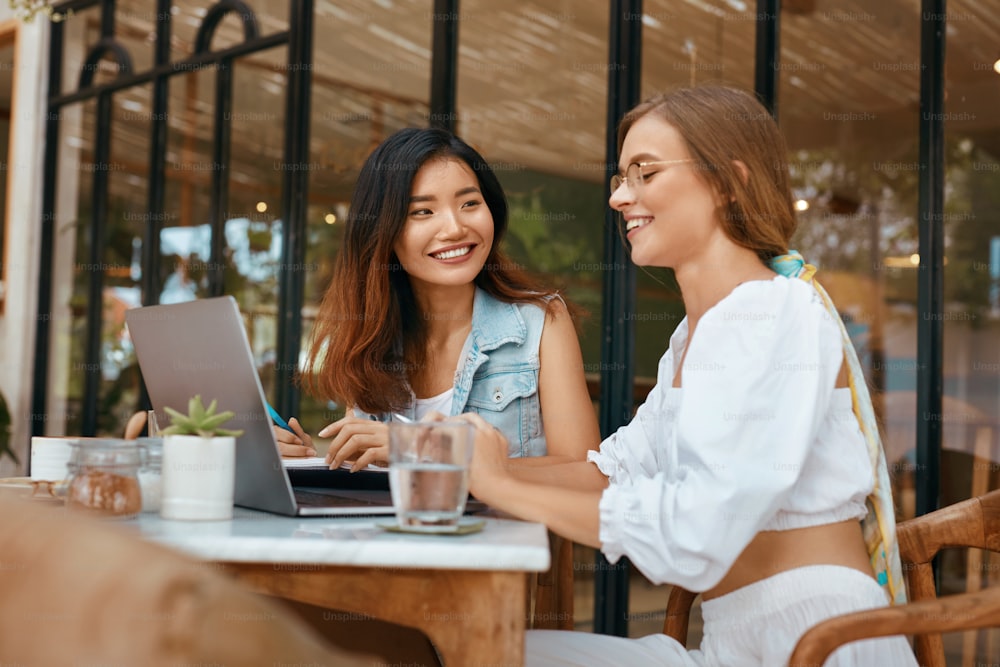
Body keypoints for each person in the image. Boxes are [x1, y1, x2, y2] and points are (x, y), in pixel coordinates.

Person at [453, 85, 918, 666]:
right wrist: (440, 460)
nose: (619, 196)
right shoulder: (692, 337)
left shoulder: (772, 315)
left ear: (728, 182)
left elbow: (697, 533)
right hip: (731, 644)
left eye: (644, 173)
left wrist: (499, 485)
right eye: (622, 177)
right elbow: (610, 471)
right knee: (481, 652)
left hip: (815, 641)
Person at [276, 127, 599, 470]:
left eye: (470, 203)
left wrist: (422, 446)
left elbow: (584, 472)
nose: (455, 228)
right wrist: (313, 462)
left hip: (503, 525)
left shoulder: (541, 321)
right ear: (383, 233)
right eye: (423, 212)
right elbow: (376, 473)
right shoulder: (372, 338)